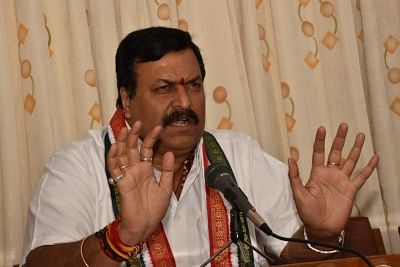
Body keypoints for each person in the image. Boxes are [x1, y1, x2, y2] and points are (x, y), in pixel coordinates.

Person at [22, 26, 379, 267]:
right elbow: (40, 263)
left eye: (193, 85)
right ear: (126, 101)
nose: (185, 103)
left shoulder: (239, 155)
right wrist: (122, 237)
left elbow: (289, 249)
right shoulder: (77, 165)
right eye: (164, 88)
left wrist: (319, 233)